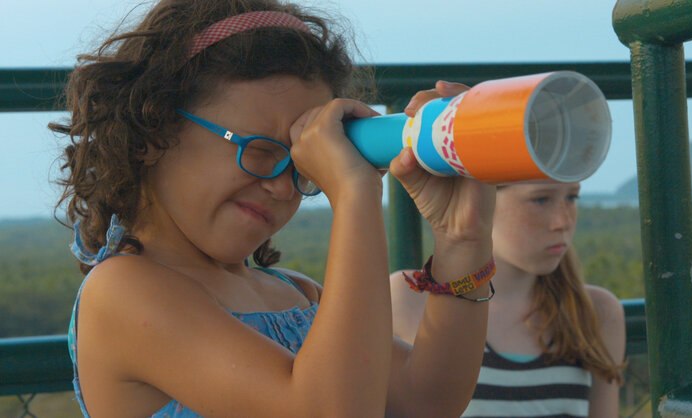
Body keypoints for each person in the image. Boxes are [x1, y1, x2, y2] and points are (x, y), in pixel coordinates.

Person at [51, 1, 497, 416]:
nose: (284, 188)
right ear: (154, 130)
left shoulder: (295, 294)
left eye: (302, 164)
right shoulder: (125, 291)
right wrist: (355, 193)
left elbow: (426, 401)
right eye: (260, 150)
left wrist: (462, 238)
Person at [392, 180, 626, 417]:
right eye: (540, 199)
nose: (563, 222)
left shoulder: (596, 312)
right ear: (479, 195)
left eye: (571, 198)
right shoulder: (408, 298)